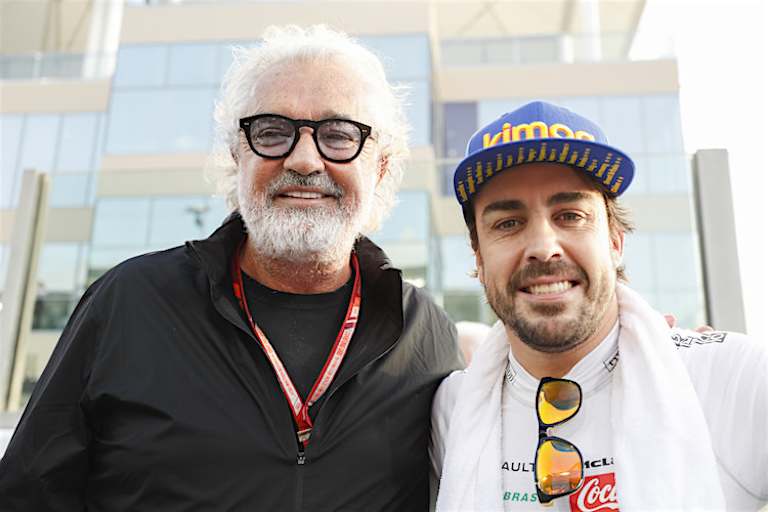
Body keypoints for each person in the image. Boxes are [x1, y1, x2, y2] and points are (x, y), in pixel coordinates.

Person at [0, 25, 462, 510]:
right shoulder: (128, 302)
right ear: (236, 154)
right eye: (271, 132)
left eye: (339, 135)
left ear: (381, 167)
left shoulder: (425, 335)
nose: (304, 160)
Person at [430, 101, 768, 511]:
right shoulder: (451, 409)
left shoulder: (731, 377)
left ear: (614, 241)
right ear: (479, 259)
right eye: (508, 223)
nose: (542, 248)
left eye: (570, 215)